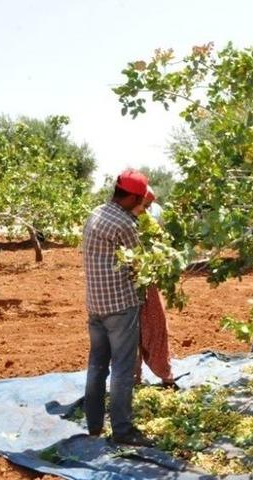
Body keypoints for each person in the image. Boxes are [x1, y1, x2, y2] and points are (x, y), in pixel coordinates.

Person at [82, 169, 152, 447]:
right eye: (141, 200)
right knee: (122, 369)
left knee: (97, 365)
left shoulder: (97, 213)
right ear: (133, 196)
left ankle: (94, 425)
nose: (142, 204)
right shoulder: (125, 224)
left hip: (95, 305)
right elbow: (141, 263)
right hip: (120, 307)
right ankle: (122, 431)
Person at [131, 187, 178, 390]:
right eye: (144, 205)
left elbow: (161, 243)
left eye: (148, 205)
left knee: (156, 326)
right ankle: (134, 378)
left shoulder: (155, 213)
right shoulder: (125, 218)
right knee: (132, 332)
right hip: (128, 281)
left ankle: (165, 375)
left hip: (148, 279)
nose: (146, 209)